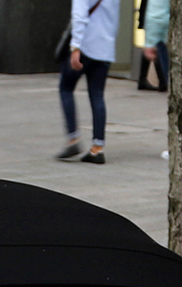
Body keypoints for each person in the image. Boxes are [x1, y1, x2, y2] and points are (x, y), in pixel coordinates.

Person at [56, 0, 118, 164]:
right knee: (97, 95)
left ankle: (73, 139)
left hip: (86, 46)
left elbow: (79, 14)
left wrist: (75, 47)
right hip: (105, 48)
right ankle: (98, 148)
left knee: (66, 88)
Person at [135, 0, 167, 91]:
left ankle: (144, 79)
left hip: (151, 17)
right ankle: (162, 80)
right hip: (153, 19)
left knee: (152, 47)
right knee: (155, 48)